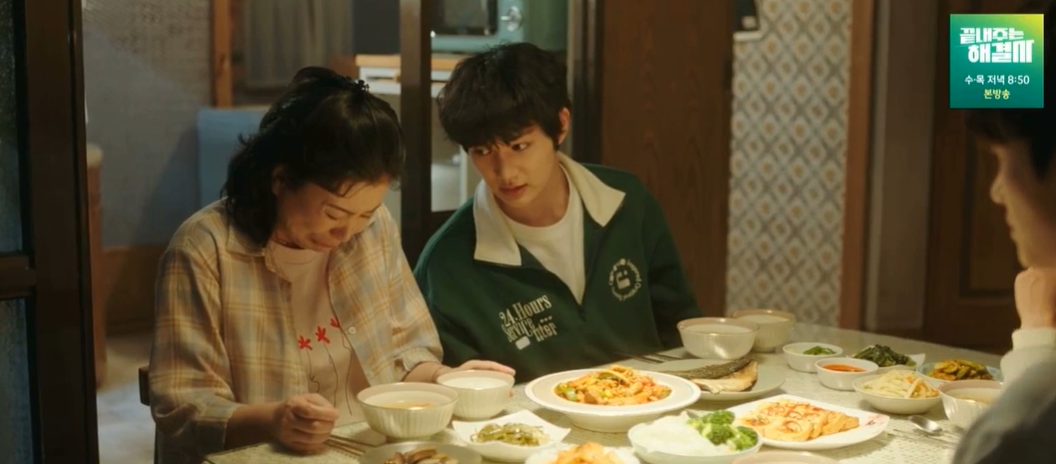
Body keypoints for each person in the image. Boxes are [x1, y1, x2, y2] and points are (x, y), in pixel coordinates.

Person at [149, 67, 512, 464]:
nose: (346, 232)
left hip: (371, 448)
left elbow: (407, 352)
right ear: (280, 178)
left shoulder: (373, 228)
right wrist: (274, 421)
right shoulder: (207, 249)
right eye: (334, 213)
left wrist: (445, 379)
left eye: (364, 213)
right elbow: (183, 404)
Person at [413, 42, 700, 383]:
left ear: (561, 125)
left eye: (519, 146)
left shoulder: (627, 201)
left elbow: (682, 329)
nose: (505, 172)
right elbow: (452, 386)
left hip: (651, 402)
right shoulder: (446, 264)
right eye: (483, 152)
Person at [951, 1, 1056, 462]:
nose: (996, 191)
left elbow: (1019, 434)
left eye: (1001, 157)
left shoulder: (1027, 426)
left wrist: (1036, 339)